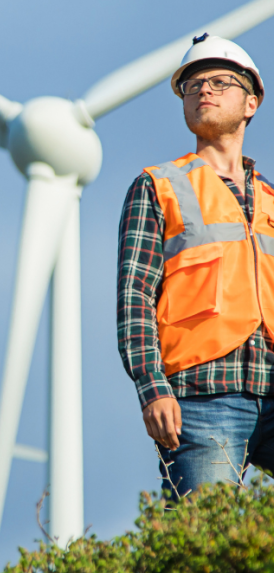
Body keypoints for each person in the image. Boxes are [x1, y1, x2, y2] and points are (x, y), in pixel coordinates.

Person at [117, 32, 274, 497]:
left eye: (220, 81)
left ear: (251, 102)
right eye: (192, 85)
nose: (203, 89)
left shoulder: (271, 201)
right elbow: (135, 298)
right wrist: (152, 388)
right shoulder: (158, 186)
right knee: (203, 539)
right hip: (202, 396)